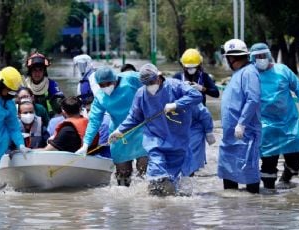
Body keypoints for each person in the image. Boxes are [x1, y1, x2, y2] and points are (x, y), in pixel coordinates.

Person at [109, 63, 202, 196]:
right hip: (155, 140)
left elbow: (196, 96)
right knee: (156, 175)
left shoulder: (175, 86)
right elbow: (134, 117)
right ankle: (154, 208)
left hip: (177, 140)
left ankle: (169, 208)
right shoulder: (141, 94)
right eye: (146, 83)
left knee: (172, 179)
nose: (150, 86)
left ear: (159, 77)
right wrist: (120, 131)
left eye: (152, 81)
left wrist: (177, 104)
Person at [249, 43, 299, 189]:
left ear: (268, 55)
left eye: (263, 56)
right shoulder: (250, 75)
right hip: (265, 126)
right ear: (252, 58)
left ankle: (285, 180)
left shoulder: (282, 70)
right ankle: (270, 198)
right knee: (268, 166)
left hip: (289, 123)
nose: (261, 59)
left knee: (296, 161)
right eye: (257, 57)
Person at [75, 67, 148, 187]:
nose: (105, 87)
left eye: (108, 83)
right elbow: (94, 121)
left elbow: (152, 80)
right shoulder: (100, 97)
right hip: (118, 134)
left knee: (144, 169)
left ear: (115, 79)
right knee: (123, 175)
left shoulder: (130, 78)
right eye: (101, 85)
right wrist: (86, 144)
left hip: (140, 129)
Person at [218, 39, 261, 194]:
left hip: (244, 134)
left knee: (249, 173)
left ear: (231, 58)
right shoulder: (238, 74)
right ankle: (232, 213)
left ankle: (254, 209)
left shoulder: (249, 73)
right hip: (230, 136)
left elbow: (253, 99)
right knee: (229, 177)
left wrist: (242, 123)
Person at [181, 103, 216, 177]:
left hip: (194, 132)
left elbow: (205, 114)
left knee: (190, 160)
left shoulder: (189, 100)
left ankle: (188, 179)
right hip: (181, 131)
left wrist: (208, 131)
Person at [24, 52, 63, 117]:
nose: (37, 73)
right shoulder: (24, 85)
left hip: (47, 119)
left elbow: (59, 103)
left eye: (40, 70)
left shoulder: (52, 84)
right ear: (30, 71)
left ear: (44, 71)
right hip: (28, 118)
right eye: (34, 70)